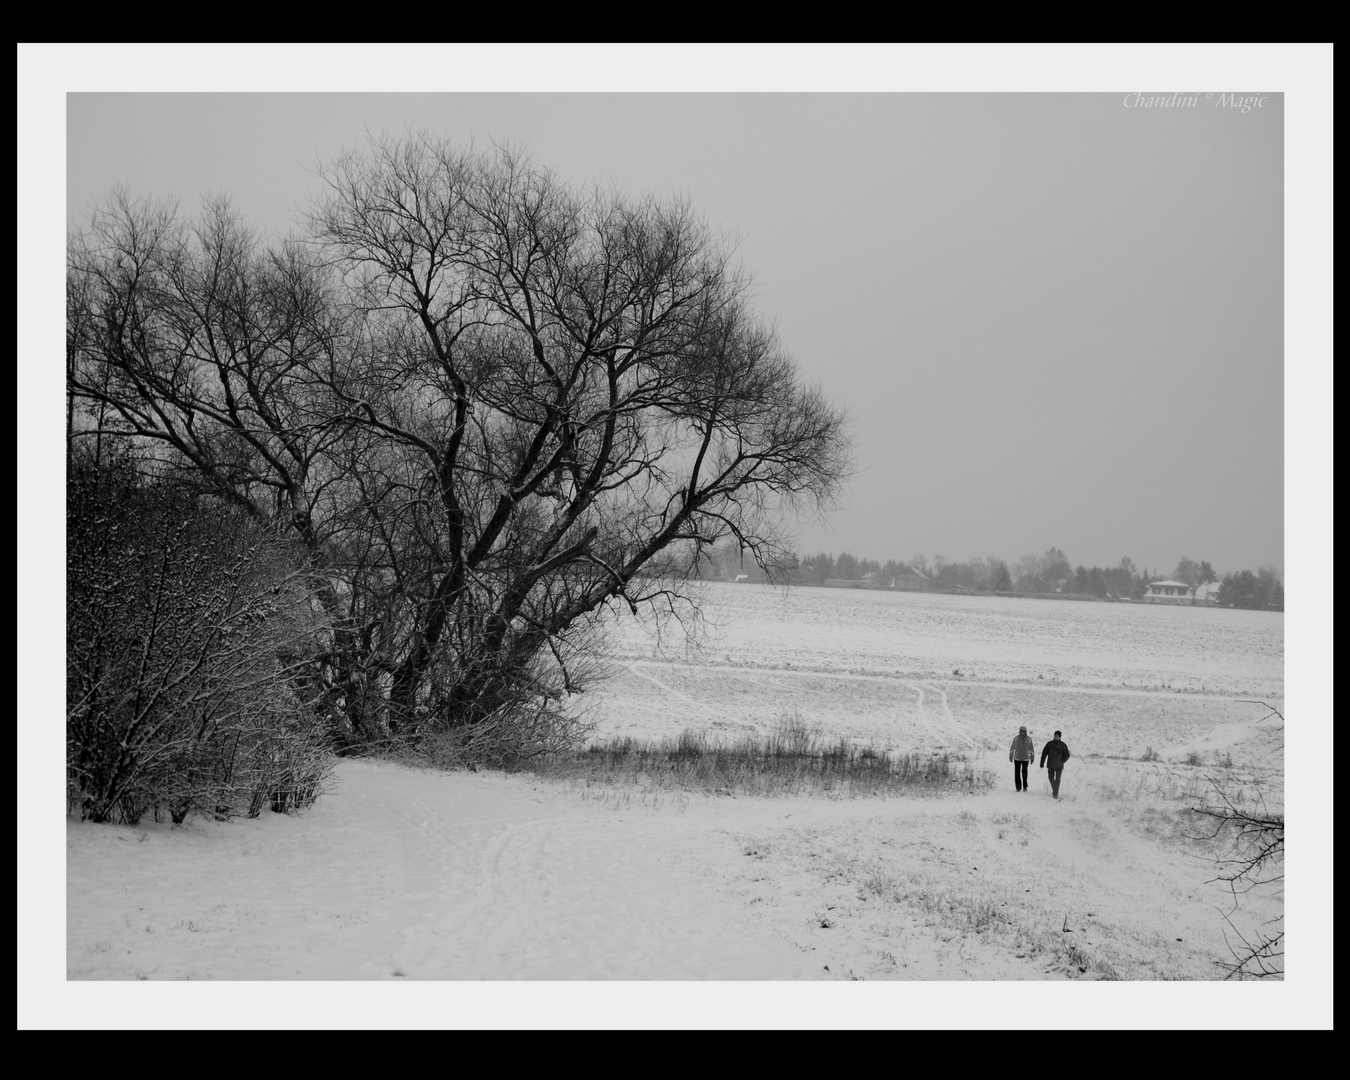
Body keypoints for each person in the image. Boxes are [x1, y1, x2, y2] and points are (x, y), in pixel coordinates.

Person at [1040, 730, 1071, 799]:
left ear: (1060, 737)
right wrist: (1042, 762)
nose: (1056, 737)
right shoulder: (1049, 744)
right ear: (1054, 736)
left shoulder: (1063, 745)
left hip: (1059, 766)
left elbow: (1067, 755)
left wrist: (1062, 761)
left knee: (1058, 779)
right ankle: (1055, 789)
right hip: (1050, 764)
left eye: (1058, 736)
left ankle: (1055, 793)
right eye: (1055, 736)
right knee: (1051, 778)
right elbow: (1044, 753)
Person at [1008, 725, 1035, 792]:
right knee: (1017, 773)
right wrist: (1011, 756)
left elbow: (1031, 749)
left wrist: (1032, 757)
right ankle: (1018, 787)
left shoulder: (1029, 739)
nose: (1023, 732)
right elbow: (1012, 748)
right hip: (1017, 758)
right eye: (1021, 731)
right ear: (1020, 731)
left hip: (1025, 759)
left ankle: (1025, 786)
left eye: (1024, 731)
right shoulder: (1016, 738)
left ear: (1026, 732)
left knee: (1024, 773)